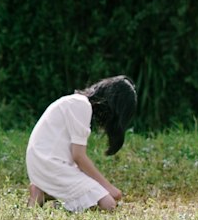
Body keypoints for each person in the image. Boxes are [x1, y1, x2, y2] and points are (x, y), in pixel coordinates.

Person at [26, 75, 137, 212]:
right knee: (109, 204)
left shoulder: (77, 103)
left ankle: (43, 191)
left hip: (42, 162)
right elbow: (79, 157)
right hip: (50, 164)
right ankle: (51, 196)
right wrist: (109, 188)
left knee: (101, 197)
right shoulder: (81, 105)